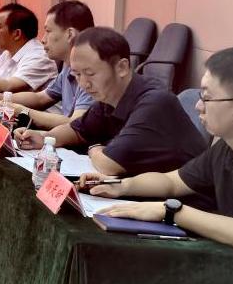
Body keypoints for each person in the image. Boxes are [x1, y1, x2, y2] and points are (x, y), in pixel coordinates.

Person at [84, 47, 233, 284]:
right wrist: (120, 185)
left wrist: (172, 212)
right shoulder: (226, 149)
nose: (198, 106)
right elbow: (172, 182)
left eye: (207, 97)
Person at [14, 27, 206, 175]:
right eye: (77, 75)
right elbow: (77, 130)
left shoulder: (154, 102)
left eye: (90, 74)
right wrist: (45, 139)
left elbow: (110, 165)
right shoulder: (108, 97)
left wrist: (94, 149)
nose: (83, 84)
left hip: (182, 201)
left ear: (122, 67)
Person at [0, 0, 96, 128]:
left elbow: (77, 124)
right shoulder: (68, 66)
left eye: (48, 31)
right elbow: (41, 98)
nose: (43, 40)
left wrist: (21, 111)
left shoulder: (93, 72)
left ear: (70, 34)